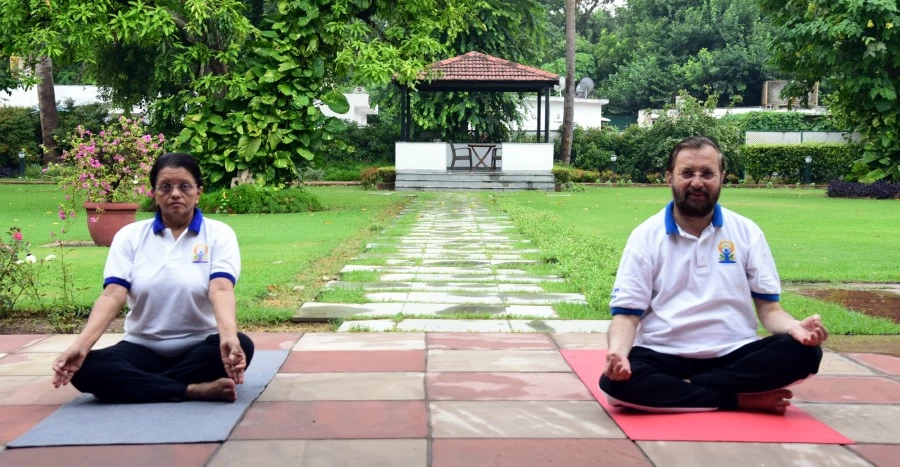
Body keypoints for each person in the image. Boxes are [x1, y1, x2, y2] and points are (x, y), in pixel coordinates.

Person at [600, 136, 827, 415]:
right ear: (669, 177)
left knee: (806, 354)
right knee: (615, 385)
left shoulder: (747, 232)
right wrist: (619, 354)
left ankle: (686, 389)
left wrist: (795, 328)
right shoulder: (645, 236)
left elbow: (769, 310)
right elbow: (627, 315)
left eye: (707, 173)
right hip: (663, 353)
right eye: (687, 173)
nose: (697, 182)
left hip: (733, 354)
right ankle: (739, 399)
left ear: (721, 178)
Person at [51, 153, 254, 403]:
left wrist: (229, 337)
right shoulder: (130, 236)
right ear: (154, 193)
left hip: (199, 346)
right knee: (83, 368)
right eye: (165, 187)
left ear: (199, 192)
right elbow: (113, 295)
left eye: (184, 186)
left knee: (243, 345)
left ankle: (141, 385)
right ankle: (192, 390)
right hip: (142, 347)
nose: (175, 194)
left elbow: (221, 289)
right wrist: (81, 345)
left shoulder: (218, 234)